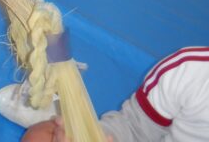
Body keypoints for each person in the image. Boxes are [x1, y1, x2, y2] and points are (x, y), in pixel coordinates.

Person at [22, 46, 209, 142]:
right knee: (39, 135)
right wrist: (89, 135)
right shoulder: (191, 73)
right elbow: (135, 128)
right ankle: (62, 116)